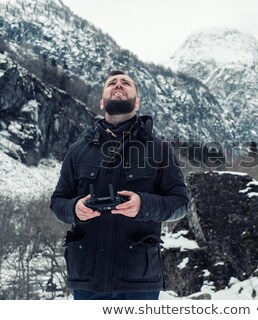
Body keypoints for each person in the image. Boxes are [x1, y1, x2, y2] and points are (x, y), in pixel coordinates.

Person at [50, 70, 189, 300]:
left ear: (137, 101)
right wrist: (74, 208)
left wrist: (143, 205)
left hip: (138, 282)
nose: (118, 85)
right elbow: (57, 203)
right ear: (102, 101)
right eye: (112, 83)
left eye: (126, 83)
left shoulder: (159, 149)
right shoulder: (77, 151)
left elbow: (180, 203)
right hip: (87, 280)